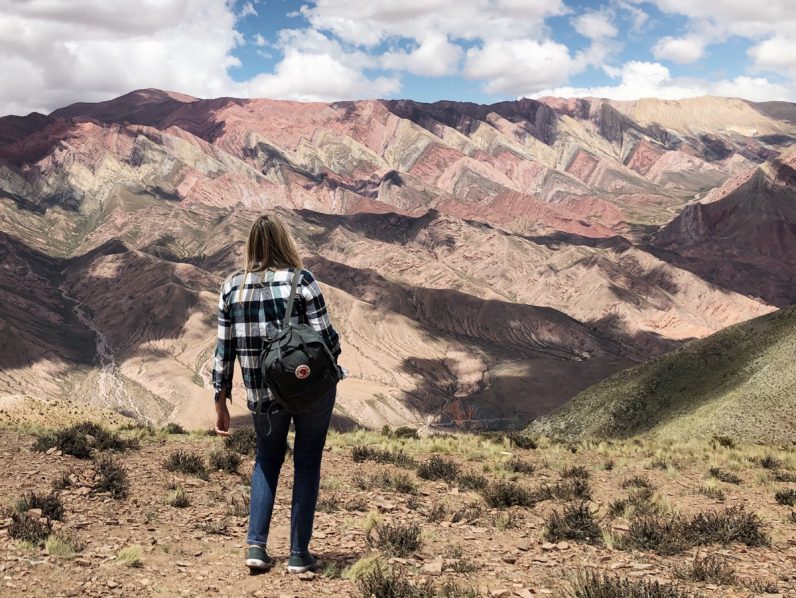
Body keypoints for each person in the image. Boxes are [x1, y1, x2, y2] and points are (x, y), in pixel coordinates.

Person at [211, 213, 342, 574]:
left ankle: (256, 547)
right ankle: (299, 553)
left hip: (260, 395)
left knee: (266, 461)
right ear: (286, 241)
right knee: (307, 462)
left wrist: (220, 400)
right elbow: (327, 340)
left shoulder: (232, 288)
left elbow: (224, 350)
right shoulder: (303, 282)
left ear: (251, 244)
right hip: (309, 391)